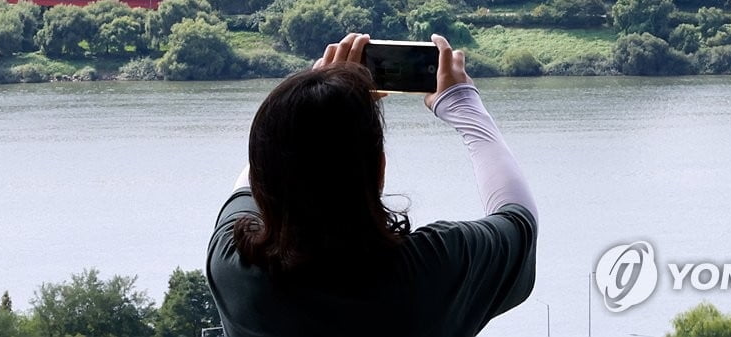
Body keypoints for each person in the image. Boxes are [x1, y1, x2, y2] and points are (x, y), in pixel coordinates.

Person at [207, 32, 537, 337]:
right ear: (380, 170)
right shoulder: (430, 271)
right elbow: (519, 218)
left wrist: (311, 97)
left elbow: (259, 173)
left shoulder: (236, 269)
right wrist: (462, 104)